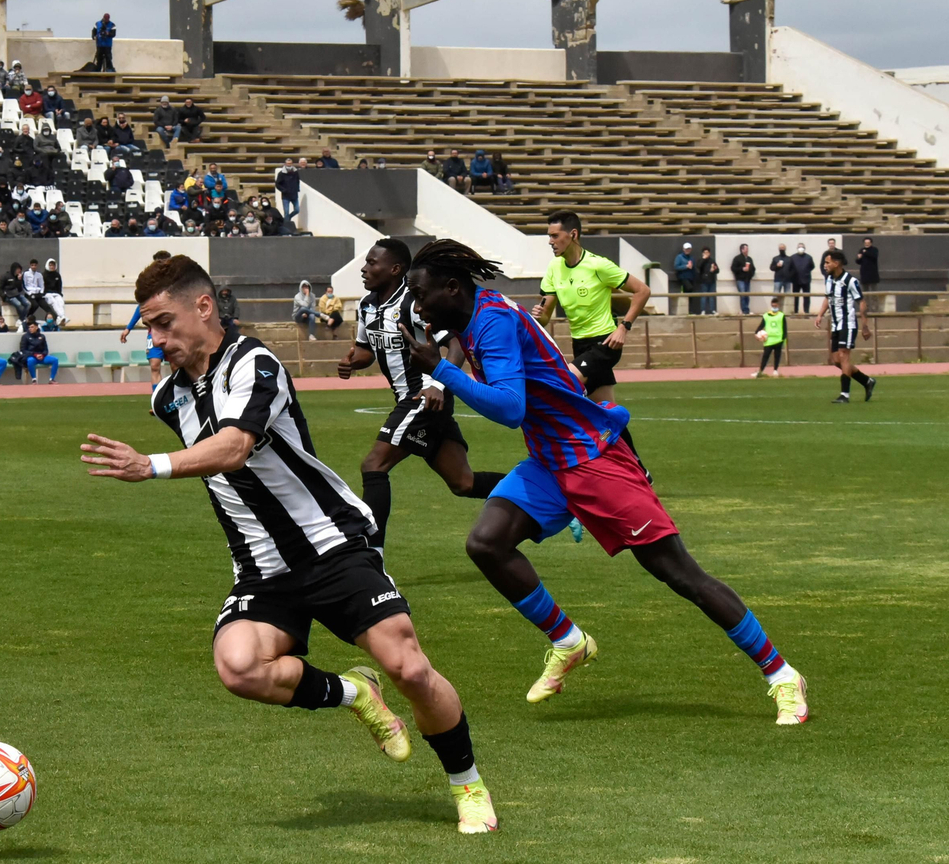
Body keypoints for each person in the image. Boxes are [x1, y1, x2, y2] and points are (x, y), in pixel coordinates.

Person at [79, 254, 499, 834]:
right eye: (149, 327)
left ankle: (467, 783)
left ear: (204, 306)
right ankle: (354, 693)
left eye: (163, 323)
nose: (155, 339)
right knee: (240, 667)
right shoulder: (167, 398)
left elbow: (234, 448)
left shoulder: (255, 362)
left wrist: (150, 465)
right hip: (261, 566)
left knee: (409, 668)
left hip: (330, 543)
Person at [400, 237, 808, 726]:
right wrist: (440, 368)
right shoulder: (475, 314)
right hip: (551, 461)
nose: (417, 306)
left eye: (420, 295)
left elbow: (510, 409)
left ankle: (782, 674)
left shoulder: (492, 321)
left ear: (452, 287)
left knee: (680, 574)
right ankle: (568, 640)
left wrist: (440, 370)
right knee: (486, 543)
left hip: (594, 459)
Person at [337, 239, 508, 552]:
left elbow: (454, 345)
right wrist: (352, 362)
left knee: (374, 465)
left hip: (423, 398)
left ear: (395, 269)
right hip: (415, 402)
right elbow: (366, 351)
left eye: (372, 263)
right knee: (463, 482)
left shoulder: (414, 304)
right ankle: (549, 494)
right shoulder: (367, 305)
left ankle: (371, 557)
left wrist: (438, 385)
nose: (364, 269)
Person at [534, 211, 651, 406]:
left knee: (564, 382)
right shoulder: (554, 268)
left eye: (555, 236)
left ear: (573, 234)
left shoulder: (598, 265)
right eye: (549, 236)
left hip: (605, 343)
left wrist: (624, 327)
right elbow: (544, 317)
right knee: (606, 412)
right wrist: (539, 316)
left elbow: (643, 290)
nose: (550, 241)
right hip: (579, 345)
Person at [815, 250, 876, 404]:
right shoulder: (829, 280)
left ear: (836, 263)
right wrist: (820, 314)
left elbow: (861, 302)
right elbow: (828, 298)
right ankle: (867, 381)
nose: (825, 265)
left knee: (844, 356)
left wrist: (865, 325)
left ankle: (845, 395)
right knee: (836, 360)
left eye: (827, 262)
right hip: (835, 325)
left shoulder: (850, 281)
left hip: (847, 324)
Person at [753, 296, 786, 378]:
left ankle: (775, 370)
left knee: (777, 355)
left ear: (778, 306)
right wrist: (756, 333)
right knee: (765, 355)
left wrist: (783, 338)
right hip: (768, 339)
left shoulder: (781, 315)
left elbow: (784, 328)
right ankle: (761, 371)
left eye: (776, 306)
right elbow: (761, 325)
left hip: (778, 339)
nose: (774, 308)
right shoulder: (766, 315)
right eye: (773, 306)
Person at [787, 243, 816, 314]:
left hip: (806, 280)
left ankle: (806, 312)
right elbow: (789, 268)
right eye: (799, 247)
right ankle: (795, 312)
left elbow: (812, 266)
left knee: (806, 297)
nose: (801, 248)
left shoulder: (809, 257)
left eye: (802, 247)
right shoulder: (792, 257)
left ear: (804, 248)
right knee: (795, 297)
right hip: (795, 280)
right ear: (797, 248)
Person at [730, 244, 756, 315]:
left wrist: (750, 275)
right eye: (746, 249)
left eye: (748, 248)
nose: (747, 250)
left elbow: (753, 269)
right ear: (742, 250)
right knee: (743, 294)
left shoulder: (749, 259)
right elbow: (733, 268)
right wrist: (742, 269)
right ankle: (744, 310)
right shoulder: (737, 258)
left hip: (747, 279)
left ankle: (746, 310)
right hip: (740, 279)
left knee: (747, 295)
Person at [672, 242, 697, 315]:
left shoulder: (691, 258)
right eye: (686, 249)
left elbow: (694, 267)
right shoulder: (679, 257)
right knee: (689, 288)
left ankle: (690, 310)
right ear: (683, 249)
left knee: (691, 294)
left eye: (689, 249)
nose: (687, 250)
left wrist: (692, 267)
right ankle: (686, 309)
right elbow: (676, 267)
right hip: (683, 277)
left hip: (690, 277)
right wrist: (686, 266)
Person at [698, 246, 719, 315]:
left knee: (711, 296)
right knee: (703, 296)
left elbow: (718, 270)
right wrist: (703, 259)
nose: (706, 254)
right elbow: (698, 267)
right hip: (703, 281)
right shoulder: (700, 260)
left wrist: (715, 269)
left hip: (711, 280)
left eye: (707, 252)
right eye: (705, 252)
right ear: (702, 253)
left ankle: (712, 310)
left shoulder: (712, 261)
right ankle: (703, 310)